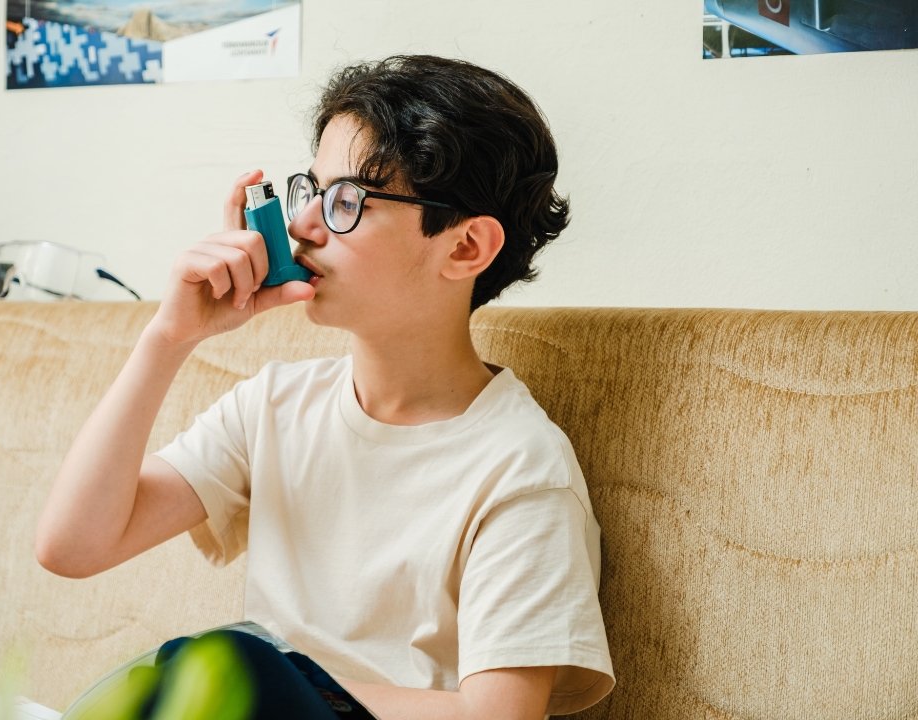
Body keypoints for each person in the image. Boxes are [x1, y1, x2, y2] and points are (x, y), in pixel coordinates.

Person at [36, 55, 614, 720]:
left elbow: (499, 716)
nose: (303, 225)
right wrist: (169, 338)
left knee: (227, 662)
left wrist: (273, 689)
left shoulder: (519, 468)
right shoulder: (277, 406)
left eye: (346, 201)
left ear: (465, 248)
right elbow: (73, 546)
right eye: (310, 190)